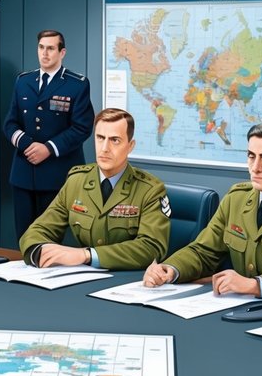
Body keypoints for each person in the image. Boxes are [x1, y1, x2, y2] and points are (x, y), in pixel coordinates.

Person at [143, 122, 262, 298]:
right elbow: (204, 251)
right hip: (237, 307)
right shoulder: (236, 199)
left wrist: (256, 285)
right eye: (251, 156)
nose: (255, 168)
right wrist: (171, 268)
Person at [18, 108, 168, 270]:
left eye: (115, 140)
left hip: (128, 281)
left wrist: (87, 255)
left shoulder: (150, 190)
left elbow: (151, 248)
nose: (104, 148)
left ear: (130, 146)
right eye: (100, 138)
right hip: (82, 279)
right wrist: (41, 251)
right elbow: (38, 230)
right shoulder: (76, 182)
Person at [4, 29, 95, 239]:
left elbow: (82, 127)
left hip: (56, 174)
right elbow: (10, 122)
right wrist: (26, 144)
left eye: (51, 48)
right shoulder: (23, 81)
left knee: (49, 239)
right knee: (24, 237)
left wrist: (48, 148)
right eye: (41, 47)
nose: (45, 53)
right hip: (23, 173)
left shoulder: (77, 84)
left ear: (62, 53)